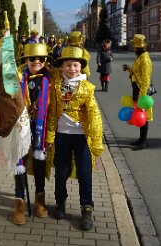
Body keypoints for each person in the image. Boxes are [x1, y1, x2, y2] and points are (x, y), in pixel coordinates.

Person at [46, 46, 104, 231]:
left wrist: (96, 141)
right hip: (62, 136)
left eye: (76, 65)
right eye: (68, 65)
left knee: (85, 174)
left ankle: (87, 208)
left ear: (81, 67)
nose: (72, 69)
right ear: (62, 67)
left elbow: (94, 114)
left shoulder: (87, 88)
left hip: (82, 138)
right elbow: (53, 112)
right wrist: (50, 135)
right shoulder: (56, 83)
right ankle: (60, 203)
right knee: (61, 172)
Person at [13, 43, 53, 225]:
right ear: (26, 60)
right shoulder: (18, 78)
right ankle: (20, 201)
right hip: (21, 126)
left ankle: (39, 198)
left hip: (41, 127)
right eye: (32, 59)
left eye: (40, 59)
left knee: (39, 163)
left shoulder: (51, 79)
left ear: (45, 61)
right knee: (19, 163)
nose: (36, 62)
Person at [123, 34, 153, 150]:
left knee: (143, 116)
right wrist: (129, 69)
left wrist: (142, 96)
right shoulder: (140, 57)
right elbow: (137, 73)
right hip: (137, 90)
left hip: (141, 92)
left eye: (134, 46)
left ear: (137, 48)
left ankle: (144, 141)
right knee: (139, 116)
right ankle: (141, 139)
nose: (133, 48)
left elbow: (146, 79)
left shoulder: (144, 58)